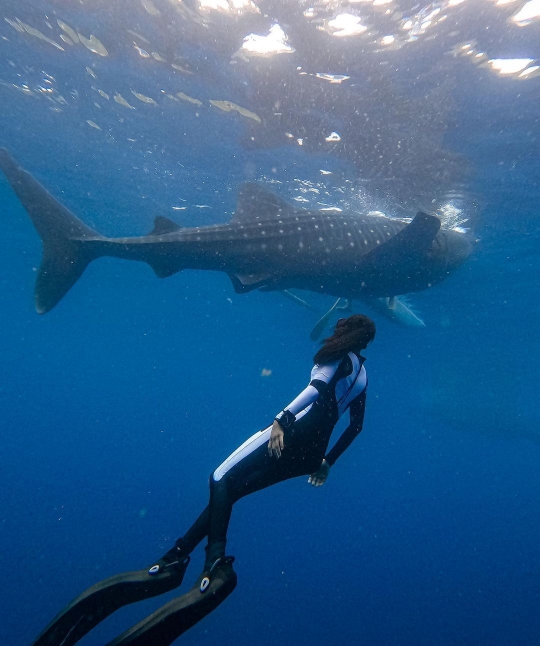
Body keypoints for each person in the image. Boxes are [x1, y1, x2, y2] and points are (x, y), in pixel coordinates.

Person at [32, 314, 376, 646]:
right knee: (234, 490)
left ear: (348, 331)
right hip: (312, 453)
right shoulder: (363, 375)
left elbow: (316, 388)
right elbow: (356, 427)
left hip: (294, 432)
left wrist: (281, 419)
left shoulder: (336, 358)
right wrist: (327, 462)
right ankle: (177, 555)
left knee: (219, 477)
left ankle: (213, 561)